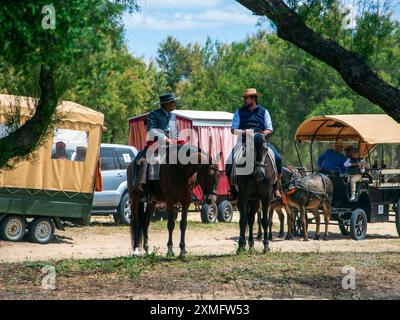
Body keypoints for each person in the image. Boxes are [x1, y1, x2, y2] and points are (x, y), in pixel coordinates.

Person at [226, 88, 283, 198]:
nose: (244, 100)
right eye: (244, 98)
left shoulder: (264, 111)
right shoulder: (239, 112)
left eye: (246, 98)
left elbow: (269, 128)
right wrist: (244, 132)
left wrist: (262, 134)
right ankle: (233, 190)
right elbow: (233, 129)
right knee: (229, 162)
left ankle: (277, 187)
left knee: (278, 158)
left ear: (253, 98)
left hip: (261, 142)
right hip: (244, 142)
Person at [133, 93, 179, 192]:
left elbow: (176, 131)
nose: (175, 104)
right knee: (146, 161)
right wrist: (165, 139)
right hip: (157, 144)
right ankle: (144, 187)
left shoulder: (173, 116)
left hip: (172, 145)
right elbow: (151, 130)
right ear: (165, 104)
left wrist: (177, 141)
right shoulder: (154, 114)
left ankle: (188, 188)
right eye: (172, 102)